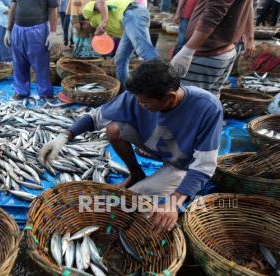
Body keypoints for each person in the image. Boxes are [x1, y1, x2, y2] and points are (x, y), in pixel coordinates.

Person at [39, 60, 223, 233]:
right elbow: (97, 117)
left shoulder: (206, 107)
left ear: (170, 97)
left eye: (145, 102)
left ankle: (159, 188)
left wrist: (174, 202)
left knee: (130, 200)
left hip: (182, 164)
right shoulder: (137, 97)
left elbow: (204, 165)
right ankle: (136, 173)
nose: (139, 104)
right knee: (113, 129)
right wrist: (64, 136)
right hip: (158, 147)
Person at [171, 0, 255, 96]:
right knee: (209, 99)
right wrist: (249, 37)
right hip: (223, 49)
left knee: (189, 100)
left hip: (207, 52)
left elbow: (213, 13)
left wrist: (188, 51)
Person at [82, 0, 159, 86]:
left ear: (83, 23)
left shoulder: (86, 12)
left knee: (144, 51)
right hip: (129, 21)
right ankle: (124, 88)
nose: (84, 31)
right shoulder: (97, 25)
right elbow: (111, 37)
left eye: (81, 28)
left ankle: (165, 82)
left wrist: (104, 20)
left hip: (132, 13)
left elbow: (101, 2)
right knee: (120, 59)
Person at [4, 0, 62, 100]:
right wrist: (8, 30)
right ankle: (21, 92)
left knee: (41, 65)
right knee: (19, 64)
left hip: (37, 30)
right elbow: (13, 6)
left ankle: (45, 93)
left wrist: (53, 32)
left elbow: (53, 9)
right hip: (18, 29)